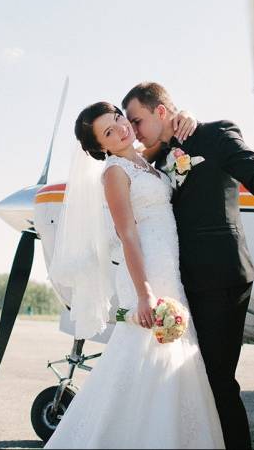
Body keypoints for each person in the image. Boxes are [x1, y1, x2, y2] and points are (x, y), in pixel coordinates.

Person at [45, 101, 224, 449]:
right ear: (101, 147)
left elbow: (170, 130)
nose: (120, 128)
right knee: (141, 355)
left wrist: (186, 116)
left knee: (169, 358)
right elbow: (127, 234)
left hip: (168, 268)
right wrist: (144, 294)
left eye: (117, 118)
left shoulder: (145, 161)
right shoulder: (114, 173)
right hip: (146, 272)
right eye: (109, 132)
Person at [123, 82, 254, 450]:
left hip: (222, 277)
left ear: (160, 111)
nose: (134, 131)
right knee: (191, 381)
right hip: (183, 284)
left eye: (137, 121)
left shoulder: (215, 134)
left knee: (218, 381)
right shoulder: (156, 160)